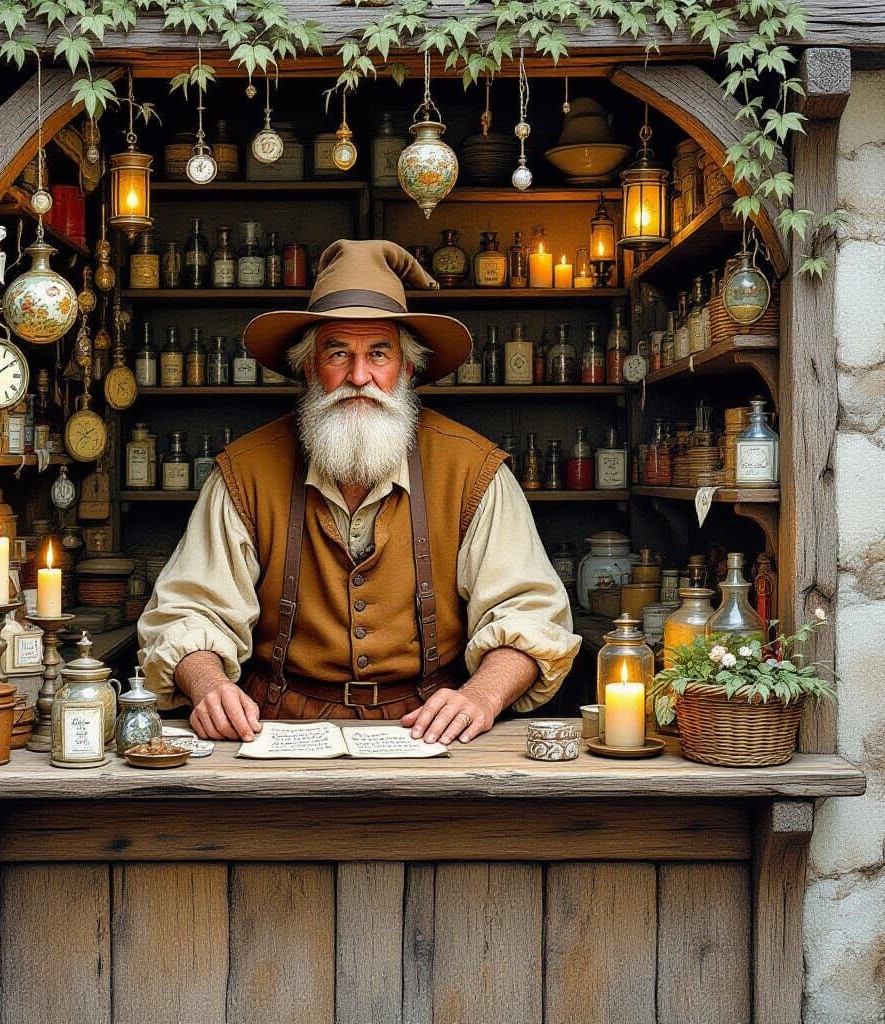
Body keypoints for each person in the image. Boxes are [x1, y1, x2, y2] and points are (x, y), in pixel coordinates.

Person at [138, 240, 580, 745]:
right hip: (276, 727)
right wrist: (210, 684)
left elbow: (531, 613)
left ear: (407, 370)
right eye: (338, 353)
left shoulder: (473, 471)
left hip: (431, 730)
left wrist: (482, 695)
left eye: (378, 353)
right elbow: (187, 612)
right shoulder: (245, 473)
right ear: (309, 368)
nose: (359, 376)